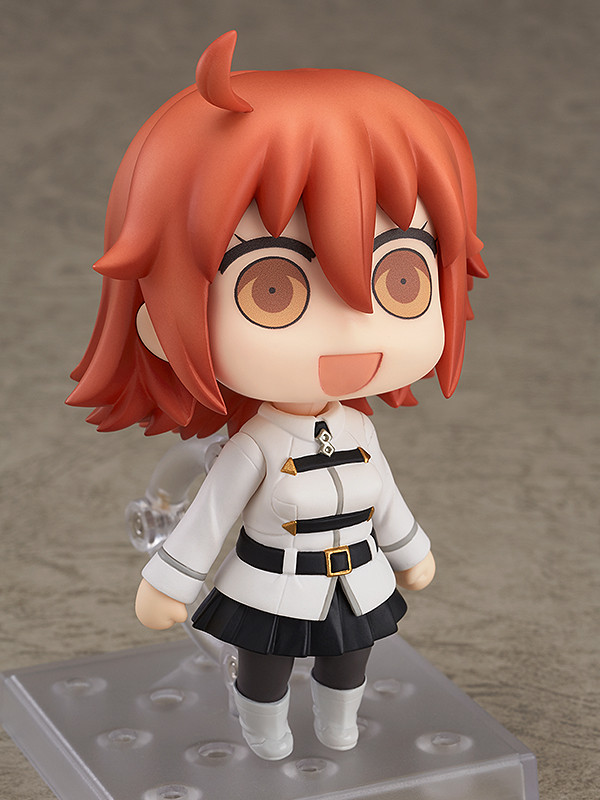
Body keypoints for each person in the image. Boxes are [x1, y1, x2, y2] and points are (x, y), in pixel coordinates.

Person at [68, 30, 487, 760]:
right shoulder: (255, 446)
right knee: (263, 672)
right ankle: (264, 734)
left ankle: (339, 726)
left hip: (357, 579)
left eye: (401, 280)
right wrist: (169, 583)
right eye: (272, 289)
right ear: (161, 314)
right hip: (272, 585)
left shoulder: (359, 432)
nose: (354, 330)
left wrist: (410, 550)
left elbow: (384, 496)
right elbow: (210, 515)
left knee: (350, 662)